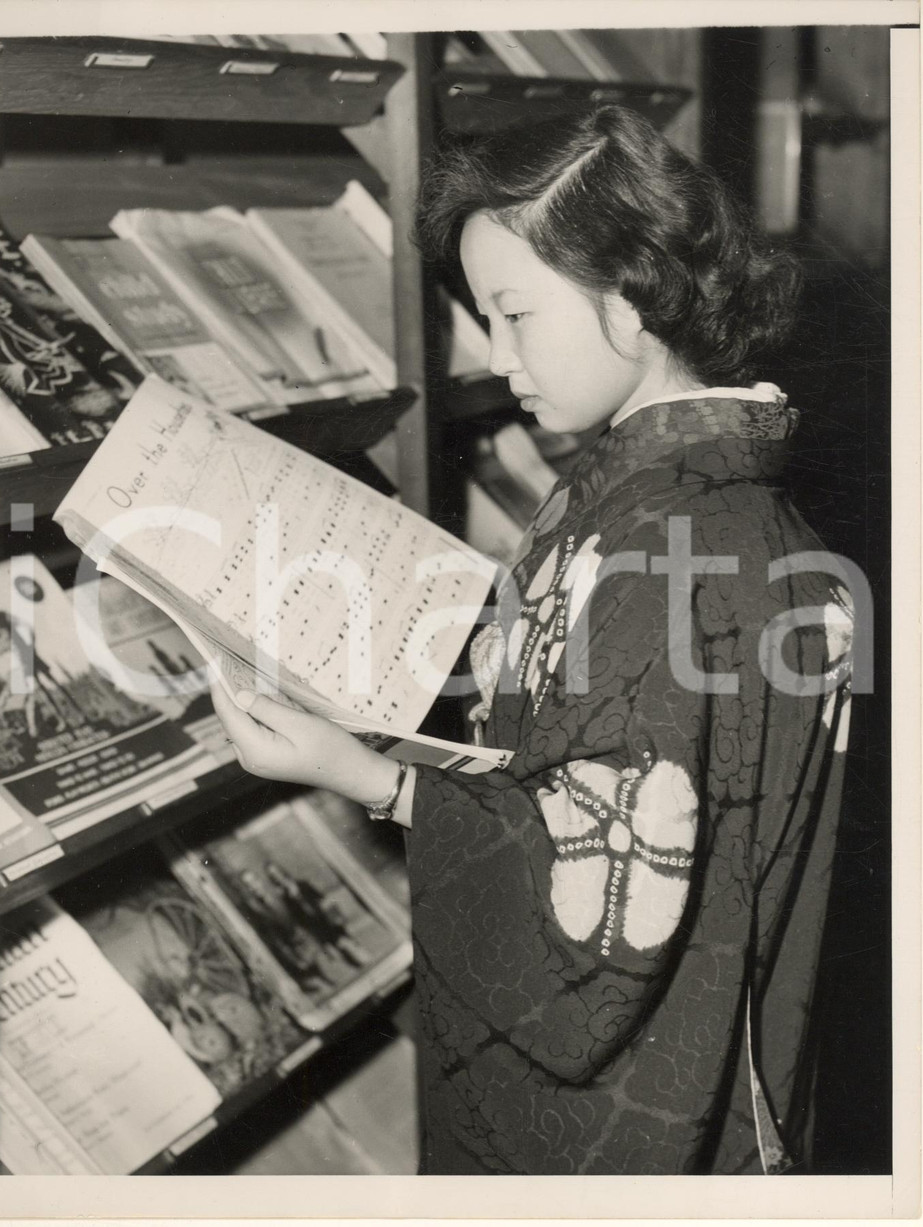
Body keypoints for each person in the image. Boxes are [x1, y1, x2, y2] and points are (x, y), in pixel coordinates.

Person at [211, 105, 856, 1175]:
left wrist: (365, 776)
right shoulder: (687, 502)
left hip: (631, 1119)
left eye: (514, 313)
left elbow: (591, 937)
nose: (496, 354)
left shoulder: (674, 555)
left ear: (636, 292)